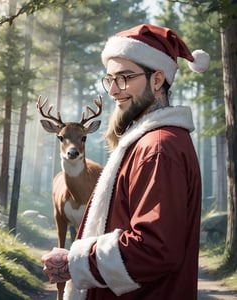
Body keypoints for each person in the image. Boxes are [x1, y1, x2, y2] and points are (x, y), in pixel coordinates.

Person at [42, 23, 210, 300]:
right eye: (110, 79)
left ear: (157, 80)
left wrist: (77, 262)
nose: (113, 91)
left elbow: (155, 248)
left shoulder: (158, 149)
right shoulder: (148, 143)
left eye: (124, 77)